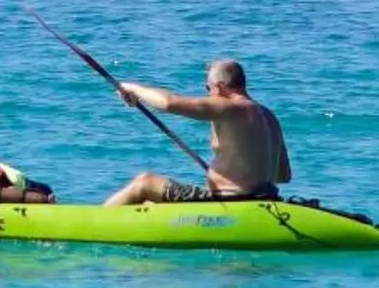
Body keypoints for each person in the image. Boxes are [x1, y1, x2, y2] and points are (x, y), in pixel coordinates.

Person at [104, 58, 291, 205]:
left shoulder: (230, 106)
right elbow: (283, 176)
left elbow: (169, 103)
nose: (208, 94)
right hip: (265, 199)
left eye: (207, 88)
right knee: (150, 203)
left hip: (232, 202)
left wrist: (133, 89)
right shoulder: (269, 116)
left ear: (219, 87)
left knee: (144, 183)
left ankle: (89, 223)